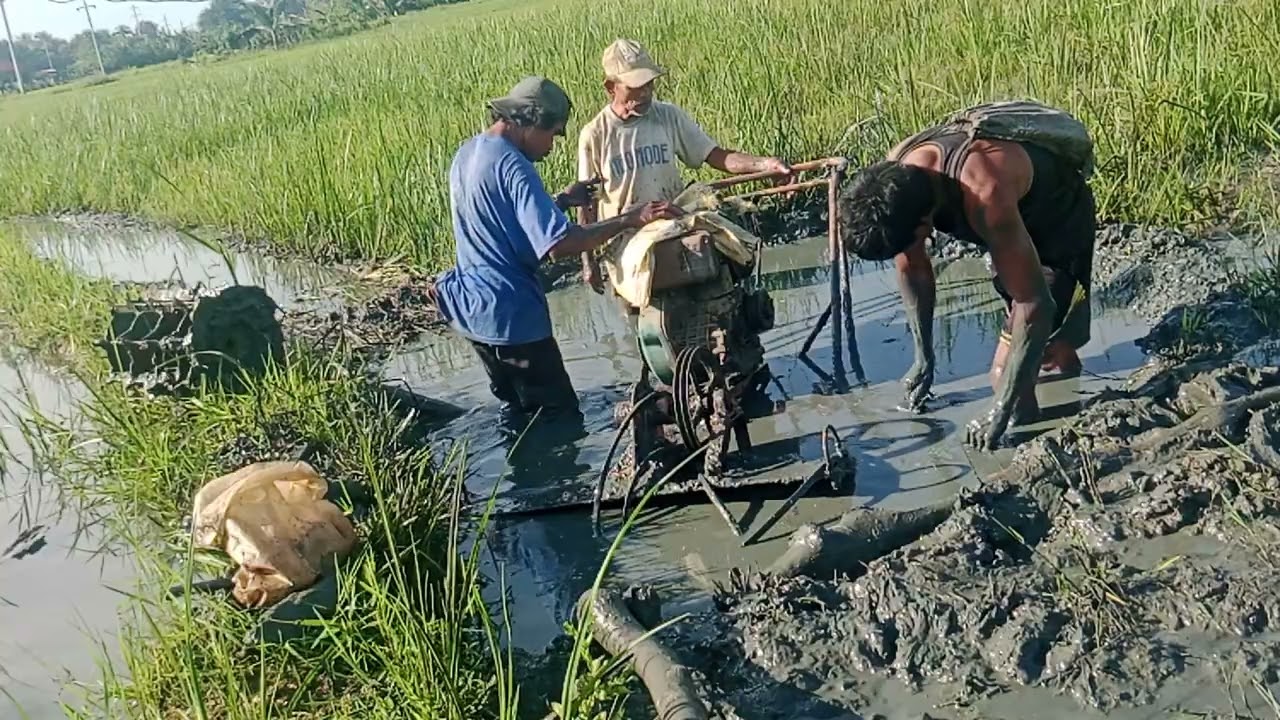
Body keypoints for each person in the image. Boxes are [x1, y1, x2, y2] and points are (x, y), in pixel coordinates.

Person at [837, 106, 1097, 451]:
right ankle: (1065, 391)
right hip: (1012, 228)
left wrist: (1001, 408)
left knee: (1006, 373)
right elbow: (912, 268)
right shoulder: (896, 183)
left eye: (913, 241)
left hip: (1057, 224)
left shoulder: (984, 193)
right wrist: (923, 356)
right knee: (1048, 345)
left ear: (925, 223)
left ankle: (1033, 442)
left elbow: (1034, 304)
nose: (911, 250)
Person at [431, 76, 682, 419]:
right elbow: (560, 244)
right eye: (552, 134)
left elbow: (501, 218)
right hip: (514, 319)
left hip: (474, 313)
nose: (550, 147)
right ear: (530, 122)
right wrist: (629, 219)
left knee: (518, 414)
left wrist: (562, 200)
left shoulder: (469, 152)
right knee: (560, 419)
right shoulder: (515, 167)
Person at [575, 38, 793, 302]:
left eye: (649, 84)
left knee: (734, 250)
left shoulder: (667, 116)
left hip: (674, 218)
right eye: (635, 86)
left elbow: (716, 156)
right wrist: (588, 262)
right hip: (627, 237)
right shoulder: (595, 135)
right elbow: (585, 206)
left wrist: (765, 165)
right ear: (611, 87)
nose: (645, 93)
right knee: (647, 301)